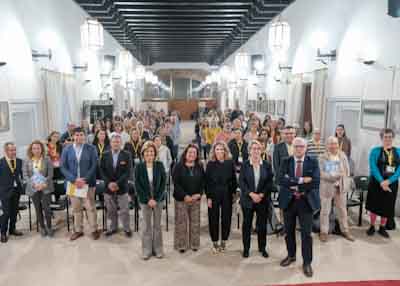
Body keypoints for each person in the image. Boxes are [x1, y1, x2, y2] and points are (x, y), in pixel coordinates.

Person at [278, 137, 320, 278]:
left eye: (301, 146)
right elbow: (280, 180)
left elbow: (315, 182)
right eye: (296, 146)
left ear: (306, 148)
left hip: (305, 202)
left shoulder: (313, 162)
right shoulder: (286, 161)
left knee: (306, 235)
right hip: (289, 202)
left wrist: (291, 181)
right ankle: (291, 256)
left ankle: (307, 262)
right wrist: (301, 180)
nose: (298, 149)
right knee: (288, 231)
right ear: (292, 148)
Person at [60, 127, 100, 241]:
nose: (79, 137)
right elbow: (63, 167)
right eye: (76, 135)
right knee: (76, 208)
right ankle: (78, 230)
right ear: (73, 136)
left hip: (87, 184)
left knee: (90, 207)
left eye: (81, 135)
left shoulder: (91, 148)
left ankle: (94, 229)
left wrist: (84, 179)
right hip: (72, 184)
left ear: (85, 136)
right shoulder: (67, 149)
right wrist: (73, 180)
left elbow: (94, 165)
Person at [239, 140, 274, 258]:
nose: (256, 151)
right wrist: (251, 194)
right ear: (249, 151)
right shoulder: (244, 165)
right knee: (247, 225)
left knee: (262, 225)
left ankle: (262, 248)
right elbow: (241, 183)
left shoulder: (267, 165)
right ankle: (246, 248)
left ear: (262, 151)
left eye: (258, 148)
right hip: (248, 200)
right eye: (253, 148)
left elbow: (269, 182)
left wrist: (262, 195)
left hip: (262, 200)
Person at [366, 128, 400, 238]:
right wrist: (381, 181)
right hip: (376, 183)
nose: (388, 139)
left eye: (390, 137)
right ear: (381, 138)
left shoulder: (398, 151)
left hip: (392, 183)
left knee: (387, 206)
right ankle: (371, 226)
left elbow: (399, 169)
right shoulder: (375, 151)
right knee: (374, 205)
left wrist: (389, 181)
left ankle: (382, 227)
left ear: (393, 138)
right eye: (385, 137)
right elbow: (373, 167)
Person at [319, 136, 354, 242]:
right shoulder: (322, 157)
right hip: (327, 187)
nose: (333, 146)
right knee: (325, 211)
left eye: (335, 143)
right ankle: (324, 232)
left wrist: (345, 179)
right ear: (327, 145)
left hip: (341, 187)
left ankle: (345, 230)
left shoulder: (342, 155)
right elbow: (322, 174)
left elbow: (347, 171)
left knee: (342, 210)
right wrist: (335, 176)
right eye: (331, 143)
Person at [135, 141, 166, 260]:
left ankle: (158, 249)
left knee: (157, 225)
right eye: (147, 152)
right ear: (143, 154)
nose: (149, 154)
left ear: (155, 153)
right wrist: (148, 200)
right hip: (145, 200)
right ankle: (146, 250)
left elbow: (163, 184)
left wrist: (156, 199)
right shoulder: (139, 167)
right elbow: (138, 186)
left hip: (158, 199)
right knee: (146, 225)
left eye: (152, 152)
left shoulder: (159, 165)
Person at [205, 141, 237, 254]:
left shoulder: (229, 163)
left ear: (225, 151)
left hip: (227, 194)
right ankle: (214, 241)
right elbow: (207, 182)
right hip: (213, 194)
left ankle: (224, 240)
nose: (219, 151)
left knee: (226, 218)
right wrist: (208, 197)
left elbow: (234, 179)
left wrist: (234, 194)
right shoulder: (210, 164)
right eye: (217, 149)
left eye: (221, 149)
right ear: (214, 151)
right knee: (213, 218)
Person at [172, 144, 205, 253]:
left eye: (194, 153)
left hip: (195, 199)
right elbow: (176, 184)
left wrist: (199, 194)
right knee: (181, 223)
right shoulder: (178, 166)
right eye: (190, 152)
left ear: (197, 155)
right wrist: (184, 196)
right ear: (185, 153)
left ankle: (194, 244)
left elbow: (203, 183)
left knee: (195, 222)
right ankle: (181, 245)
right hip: (181, 199)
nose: (192, 154)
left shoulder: (200, 166)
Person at [99, 133, 132, 237]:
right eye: (114, 142)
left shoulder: (127, 155)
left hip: (122, 187)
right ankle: (113, 227)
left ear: (121, 143)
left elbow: (128, 172)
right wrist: (109, 183)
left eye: (118, 142)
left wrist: (117, 183)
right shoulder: (104, 155)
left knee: (124, 210)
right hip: (108, 188)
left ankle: (126, 228)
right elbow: (101, 171)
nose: (116, 144)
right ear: (110, 143)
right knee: (110, 210)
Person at [23, 140, 54, 237]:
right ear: (31, 150)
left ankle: (49, 226)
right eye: (34, 148)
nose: (36, 150)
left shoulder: (47, 159)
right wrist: (33, 185)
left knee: (46, 208)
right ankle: (42, 227)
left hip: (45, 187)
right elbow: (25, 175)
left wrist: (44, 184)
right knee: (38, 209)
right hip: (33, 188)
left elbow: (50, 174)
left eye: (38, 148)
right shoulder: (27, 160)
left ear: (42, 149)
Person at [0, 142, 24, 243]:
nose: (13, 152)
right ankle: (3, 232)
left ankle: (12, 229)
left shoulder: (19, 161)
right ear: (6, 151)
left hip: (16, 190)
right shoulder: (1, 162)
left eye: (14, 150)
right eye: (11, 150)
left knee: (14, 211)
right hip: (4, 191)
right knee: (6, 213)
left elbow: (21, 175)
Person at [47, 131, 64, 202]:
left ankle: (58, 199)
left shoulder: (60, 146)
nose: (55, 138)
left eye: (57, 137)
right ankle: (49, 200)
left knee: (58, 183)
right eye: (54, 136)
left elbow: (62, 156)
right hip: (49, 168)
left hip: (58, 167)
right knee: (50, 183)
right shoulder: (46, 146)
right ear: (50, 137)